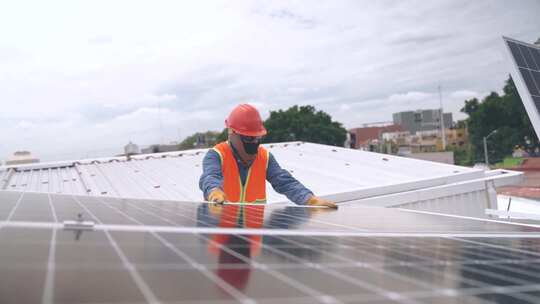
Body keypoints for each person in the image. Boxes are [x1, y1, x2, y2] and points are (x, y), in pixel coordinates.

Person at [199, 103, 337, 209]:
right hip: (221, 235)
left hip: (253, 236)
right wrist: (214, 192)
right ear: (232, 133)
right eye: (248, 138)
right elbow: (210, 177)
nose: (254, 143)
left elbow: (284, 182)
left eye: (257, 138)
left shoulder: (264, 157)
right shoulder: (216, 155)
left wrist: (309, 199)